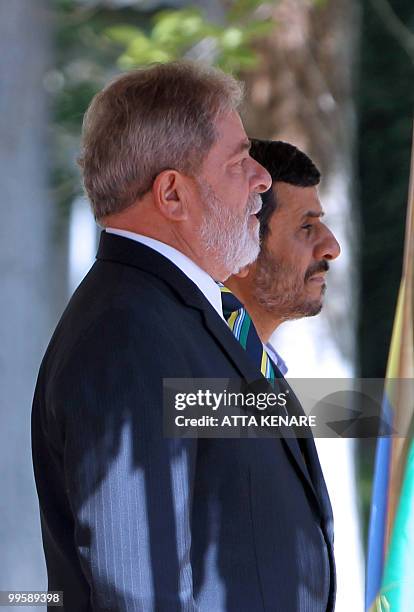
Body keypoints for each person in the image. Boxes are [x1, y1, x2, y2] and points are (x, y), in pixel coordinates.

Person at [32, 62, 332, 611]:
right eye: (240, 161)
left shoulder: (178, 315)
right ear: (172, 194)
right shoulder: (125, 335)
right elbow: (137, 588)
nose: (261, 180)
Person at [224, 137, 341, 607]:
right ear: (246, 245)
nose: (331, 247)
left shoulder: (262, 367)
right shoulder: (190, 366)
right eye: (306, 227)